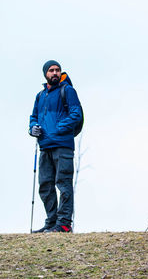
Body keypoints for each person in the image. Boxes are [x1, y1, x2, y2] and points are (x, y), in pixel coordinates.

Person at [29, 60, 82, 233]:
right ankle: (51, 222)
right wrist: (33, 128)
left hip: (63, 145)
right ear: (45, 74)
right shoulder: (40, 96)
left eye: (57, 70)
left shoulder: (68, 91)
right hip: (44, 146)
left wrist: (59, 127)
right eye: (51, 70)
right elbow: (34, 117)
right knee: (45, 186)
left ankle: (64, 223)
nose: (55, 73)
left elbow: (76, 114)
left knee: (63, 184)